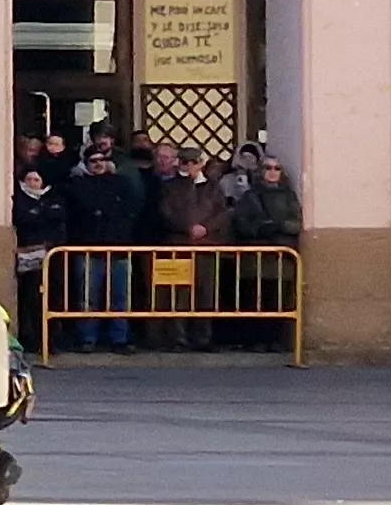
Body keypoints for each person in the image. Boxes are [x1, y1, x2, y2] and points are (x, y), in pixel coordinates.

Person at [57, 146, 145, 352]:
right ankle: (87, 338)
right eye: (93, 160)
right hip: (89, 248)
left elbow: (132, 207)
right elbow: (80, 209)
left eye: (102, 160)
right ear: (86, 164)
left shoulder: (122, 183)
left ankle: (119, 338)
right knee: (88, 297)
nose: (98, 164)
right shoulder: (78, 185)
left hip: (119, 248)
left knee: (120, 297)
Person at [153, 147, 232, 350]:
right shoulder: (170, 187)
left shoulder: (213, 187)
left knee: (205, 293)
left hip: (206, 246)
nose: (189, 167)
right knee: (179, 293)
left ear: (201, 164)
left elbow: (222, 212)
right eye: (185, 162)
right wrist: (187, 228)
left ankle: (203, 337)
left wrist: (206, 228)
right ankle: (178, 338)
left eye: (193, 162)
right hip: (179, 245)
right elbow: (165, 212)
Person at [225, 156, 303, 350]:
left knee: (278, 300)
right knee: (255, 299)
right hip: (256, 257)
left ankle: (276, 341)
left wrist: (279, 226)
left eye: (277, 168)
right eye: (268, 167)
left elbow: (297, 222)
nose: (272, 171)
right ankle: (256, 340)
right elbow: (241, 222)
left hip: (281, 257)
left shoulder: (289, 196)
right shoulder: (250, 196)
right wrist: (261, 228)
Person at [12, 164, 66, 349]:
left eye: (36, 180)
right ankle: (31, 338)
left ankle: (50, 339)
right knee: (30, 297)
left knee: (52, 296)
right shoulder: (19, 199)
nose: (33, 184)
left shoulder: (53, 197)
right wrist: (41, 215)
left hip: (51, 255)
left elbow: (58, 216)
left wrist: (39, 214)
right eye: (29, 180)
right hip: (28, 255)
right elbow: (23, 219)